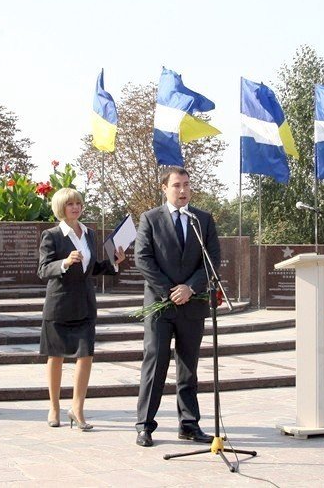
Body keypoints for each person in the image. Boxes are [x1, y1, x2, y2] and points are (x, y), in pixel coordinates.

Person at [133, 166, 220, 448]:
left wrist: (190, 288)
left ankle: (189, 424)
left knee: (188, 367)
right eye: (176, 185)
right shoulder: (150, 219)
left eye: (186, 185)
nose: (182, 190)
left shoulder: (202, 220)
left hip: (192, 305)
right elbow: (143, 258)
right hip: (160, 305)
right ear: (164, 188)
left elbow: (211, 261)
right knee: (155, 363)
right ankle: (145, 426)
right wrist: (170, 291)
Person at [37, 188, 125, 430]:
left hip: (85, 303)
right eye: (70, 204)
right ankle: (54, 407)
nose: (75, 207)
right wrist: (64, 262)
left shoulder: (89, 234)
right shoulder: (51, 235)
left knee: (85, 355)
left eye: (78, 203)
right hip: (60, 304)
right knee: (56, 356)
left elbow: (92, 268)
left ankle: (77, 409)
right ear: (60, 208)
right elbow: (43, 270)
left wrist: (114, 264)